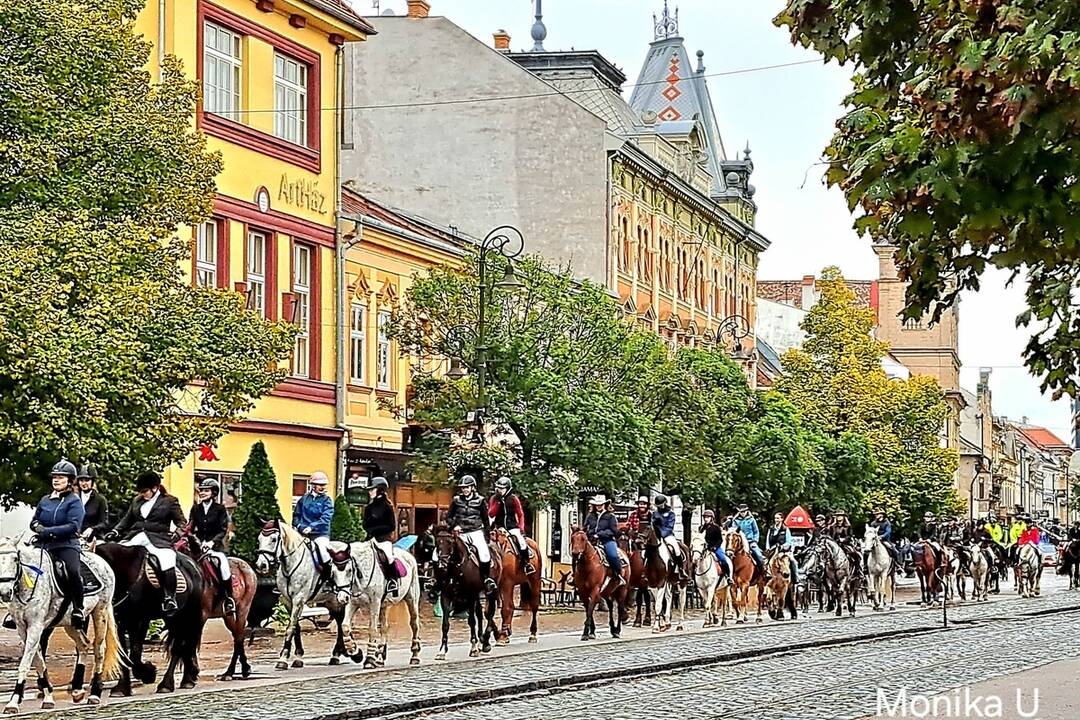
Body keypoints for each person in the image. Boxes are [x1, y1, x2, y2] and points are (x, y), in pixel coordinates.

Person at [110, 470, 186, 615]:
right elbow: (126, 520)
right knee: (118, 556)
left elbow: (181, 522)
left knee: (167, 560)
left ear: (155, 488)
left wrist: (177, 534)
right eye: (141, 491)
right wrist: (115, 531)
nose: (142, 494)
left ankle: (170, 597)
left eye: (145, 491)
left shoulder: (170, 501)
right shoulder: (137, 501)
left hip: (159, 539)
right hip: (136, 537)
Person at [30, 460, 87, 630]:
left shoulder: (74, 501)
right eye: (54, 477)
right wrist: (36, 527)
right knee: (26, 569)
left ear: (70, 481)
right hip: (44, 545)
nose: (56, 480)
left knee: (72, 571)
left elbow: (73, 526)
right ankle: (18, 610)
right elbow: (34, 520)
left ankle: (78, 608)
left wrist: (46, 531)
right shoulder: (45, 500)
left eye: (60, 477)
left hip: (66, 545)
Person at [186, 477, 235, 614]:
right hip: (198, 546)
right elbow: (190, 527)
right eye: (201, 490)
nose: (202, 493)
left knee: (223, 565)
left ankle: (228, 598)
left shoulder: (220, 509)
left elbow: (222, 530)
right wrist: (193, 539)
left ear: (213, 493)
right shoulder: (196, 509)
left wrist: (211, 543)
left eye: (206, 491)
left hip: (215, 547)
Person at [446, 475, 497, 593]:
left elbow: (485, 520)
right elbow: (448, 517)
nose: (465, 490)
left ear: (472, 487)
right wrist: (454, 525)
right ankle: (446, 580)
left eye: (467, 487)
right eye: (463, 488)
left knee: (485, 555)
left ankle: (486, 579)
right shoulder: (456, 500)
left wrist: (487, 536)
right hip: (461, 533)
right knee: (448, 554)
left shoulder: (480, 500)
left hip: (476, 531)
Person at [293, 471, 335, 582]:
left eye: (324, 485)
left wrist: (311, 527)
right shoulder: (304, 499)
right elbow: (296, 516)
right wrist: (300, 526)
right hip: (303, 533)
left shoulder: (327, 500)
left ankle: (329, 579)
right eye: (320, 485)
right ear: (313, 485)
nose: (322, 487)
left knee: (323, 553)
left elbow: (326, 518)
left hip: (320, 534)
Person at [487, 476, 533, 575]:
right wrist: (498, 502)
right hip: (498, 527)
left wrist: (521, 527)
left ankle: (526, 564)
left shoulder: (513, 499)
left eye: (502, 488)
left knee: (521, 542)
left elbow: (520, 514)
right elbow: (491, 513)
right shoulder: (494, 499)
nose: (500, 490)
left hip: (512, 527)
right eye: (499, 488)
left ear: (508, 489)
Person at [363, 476, 401, 593]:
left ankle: (392, 581)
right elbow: (365, 524)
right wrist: (370, 531)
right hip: (370, 539)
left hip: (384, 539)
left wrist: (375, 530)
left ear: (380, 489)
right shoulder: (369, 507)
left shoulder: (387, 506)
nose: (369, 492)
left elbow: (391, 526)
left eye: (372, 489)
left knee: (389, 557)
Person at [583, 495, 624, 586]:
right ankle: (575, 577)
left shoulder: (610, 516)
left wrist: (600, 534)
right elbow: (585, 527)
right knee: (579, 555)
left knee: (612, 555)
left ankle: (618, 574)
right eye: (597, 504)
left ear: (605, 504)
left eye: (600, 504)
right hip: (592, 541)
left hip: (607, 540)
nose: (598, 506)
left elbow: (613, 530)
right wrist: (590, 533)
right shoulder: (590, 516)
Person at [76, 464, 109, 542]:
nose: (84, 483)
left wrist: (92, 529)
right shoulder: (74, 498)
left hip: (95, 537)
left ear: (92, 481)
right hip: (76, 538)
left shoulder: (100, 500)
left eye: (87, 480)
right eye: (81, 480)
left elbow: (105, 523)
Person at [732, 504, 766, 577]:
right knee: (730, 554)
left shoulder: (751, 520)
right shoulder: (735, 521)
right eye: (741, 512)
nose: (743, 513)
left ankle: (764, 572)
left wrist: (755, 541)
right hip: (739, 542)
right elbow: (733, 532)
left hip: (750, 541)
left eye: (744, 511)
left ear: (747, 511)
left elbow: (756, 531)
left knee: (758, 555)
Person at [651, 495, 682, 573]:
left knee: (676, 549)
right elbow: (652, 524)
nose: (659, 507)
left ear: (664, 503)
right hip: (656, 535)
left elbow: (670, 527)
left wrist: (661, 533)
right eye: (658, 505)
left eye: (661, 505)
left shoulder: (671, 514)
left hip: (667, 535)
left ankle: (680, 568)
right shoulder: (655, 513)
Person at [699, 510, 732, 577]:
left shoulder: (716, 527)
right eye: (705, 517)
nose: (706, 519)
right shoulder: (701, 528)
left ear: (711, 518)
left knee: (722, 559)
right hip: (704, 548)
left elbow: (720, 540)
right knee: (694, 560)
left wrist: (715, 547)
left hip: (715, 548)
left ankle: (727, 576)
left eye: (708, 517)